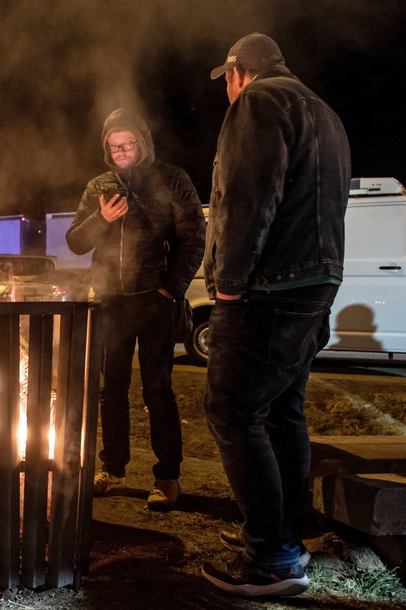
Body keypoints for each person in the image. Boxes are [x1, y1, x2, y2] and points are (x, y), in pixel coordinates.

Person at [201, 33, 350, 597]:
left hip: (268, 287)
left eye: (228, 81)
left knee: (233, 409)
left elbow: (247, 197)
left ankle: (273, 559)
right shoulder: (326, 113)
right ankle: (287, 535)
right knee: (282, 411)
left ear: (239, 72)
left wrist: (231, 286)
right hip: (316, 283)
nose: (227, 92)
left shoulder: (259, 103)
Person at [65, 108, 205, 511]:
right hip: (111, 300)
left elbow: (194, 239)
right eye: (114, 146)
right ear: (106, 148)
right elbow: (76, 241)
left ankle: (167, 476)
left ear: (143, 142)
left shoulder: (171, 180)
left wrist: (168, 291)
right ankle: (113, 469)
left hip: (155, 300)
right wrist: (100, 219)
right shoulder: (99, 186)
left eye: (129, 144)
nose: (122, 151)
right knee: (112, 391)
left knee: (158, 389)